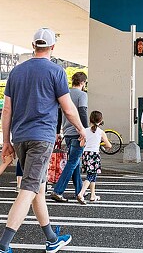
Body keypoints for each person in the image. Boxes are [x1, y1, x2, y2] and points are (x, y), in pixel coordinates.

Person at [0, 28, 84, 253]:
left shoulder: (16, 72)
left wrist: (6, 141)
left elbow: (6, 110)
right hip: (42, 138)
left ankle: (52, 238)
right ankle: (3, 245)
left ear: (33, 46)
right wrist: (82, 129)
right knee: (29, 189)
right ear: (52, 47)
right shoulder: (56, 72)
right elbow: (68, 108)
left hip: (21, 137)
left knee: (38, 189)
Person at [50, 71, 88, 203]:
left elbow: (60, 114)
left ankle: (80, 191)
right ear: (83, 82)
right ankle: (58, 191)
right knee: (72, 162)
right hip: (78, 133)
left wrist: (57, 131)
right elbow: (83, 112)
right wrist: (85, 130)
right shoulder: (82, 95)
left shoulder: (65, 94)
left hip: (67, 132)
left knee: (75, 163)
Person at [76, 111, 110, 204]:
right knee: (90, 176)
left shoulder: (85, 130)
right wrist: (101, 143)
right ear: (100, 121)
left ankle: (92, 195)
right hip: (94, 154)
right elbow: (109, 145)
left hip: (86, 154)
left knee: (93, 175)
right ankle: (81, 194)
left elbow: (81, 144)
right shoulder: (101, 132)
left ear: (90, 119)